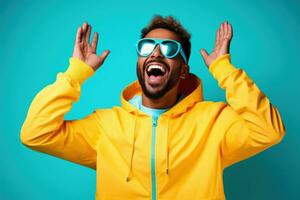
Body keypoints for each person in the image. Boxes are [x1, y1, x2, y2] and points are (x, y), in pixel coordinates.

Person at [20, 15, 286, 200]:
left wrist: (224, 70)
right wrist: (76, 73)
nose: (156, 54)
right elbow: (35, 133)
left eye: (170, 49)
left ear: (183, 71)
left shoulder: (213, 122)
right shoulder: (105, 126)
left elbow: (269, 130)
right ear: (139, 63)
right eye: (147, 47)